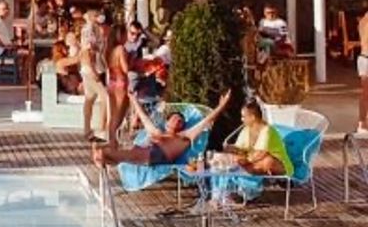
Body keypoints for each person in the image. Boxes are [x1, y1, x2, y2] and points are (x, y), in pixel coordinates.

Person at [93, 90, 232, 168]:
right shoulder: (159, 132)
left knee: (113, 153)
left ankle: (106, 157)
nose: (178, 121)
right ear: (167, 122)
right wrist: (134, 100)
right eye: (175, 118)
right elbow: (145, 118)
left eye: (181, 121)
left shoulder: (185, 136)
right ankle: (108, 158)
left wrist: (221, 106)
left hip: (157, 155)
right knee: (136, 146)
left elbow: (206, 121)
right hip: (146, 151)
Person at [229, 99, 292, 176]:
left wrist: (247, 160)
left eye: (243, 117)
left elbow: (261, 153)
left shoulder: (267, 130)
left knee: (268, 161)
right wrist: (232, 149)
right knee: (236, 159)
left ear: (252, 117)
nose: (242, 120)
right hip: (254, 162)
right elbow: (239, 149)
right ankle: (247, 171)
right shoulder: (246, 130)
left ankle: (245, 171)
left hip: (278, 164)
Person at [79, 13, 109, 142]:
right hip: (92, 70)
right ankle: (102, 129)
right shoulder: (89, 29)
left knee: (90, 98)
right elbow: (87, 51)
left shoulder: (95, 29)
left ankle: (87, 129)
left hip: (91, 69)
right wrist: (93, 71)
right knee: (105, 98)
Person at [358, 4, 368, 137]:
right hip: (366, 57)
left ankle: (362, 122)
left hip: (364, 58)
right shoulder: (365, 21)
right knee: (365, 93)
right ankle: (362, 122)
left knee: (365, 93)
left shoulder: (363, 20)